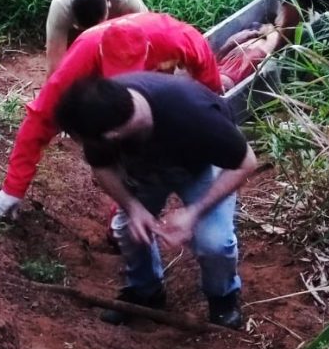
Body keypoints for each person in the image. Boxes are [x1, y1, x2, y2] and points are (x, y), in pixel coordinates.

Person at [54, 72, 258, 329]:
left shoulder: (193, 113)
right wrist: (134, 208)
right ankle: (145, 292)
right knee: (128, 230)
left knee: (214, 242)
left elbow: (246, 162)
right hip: (147, 170)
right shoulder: (99, 111)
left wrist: (194, 212)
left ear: (113, 135)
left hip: (203, 166)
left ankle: (222, 298)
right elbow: (102, 167)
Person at [0, 12, 223, 222]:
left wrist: (211, 116)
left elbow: (206, 73)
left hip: (154, 99)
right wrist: (14, 187)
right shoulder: (81, 59)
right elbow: (42, 116)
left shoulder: (174, 38)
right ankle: (123, 213)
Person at [45, 0, 147, 74]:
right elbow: (54, 63)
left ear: (108, 8)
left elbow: (147, 30)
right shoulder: (60, 9)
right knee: (74, 55)